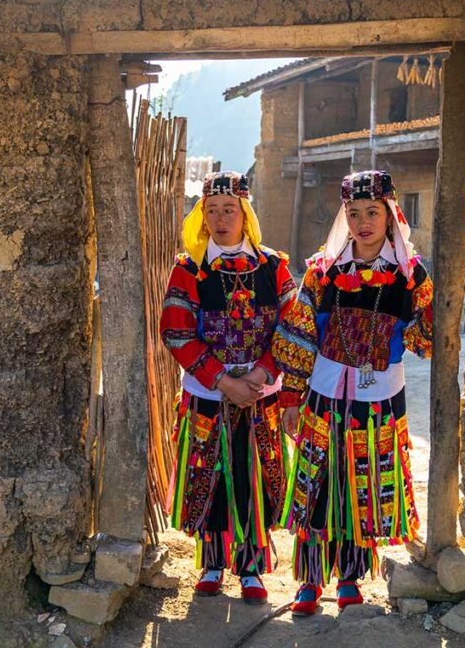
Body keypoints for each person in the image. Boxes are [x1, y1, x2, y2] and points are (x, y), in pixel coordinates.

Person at [273, 169, 434, 615]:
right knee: (316, 483)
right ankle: (308, 581)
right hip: (323, 396)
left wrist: (435, 306)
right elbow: (301, 336)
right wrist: (290, 399)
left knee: (360, 488)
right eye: (355, 213)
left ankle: (349, 578)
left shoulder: (410, 276)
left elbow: (425, 342)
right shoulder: (324, 272)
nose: (363, 222)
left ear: (390, 214)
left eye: (373, 212)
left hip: (378, 401)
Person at [160, 171, 297, 604]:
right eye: (212, 210)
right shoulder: (189, 270)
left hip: (260, 395)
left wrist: (258, 376)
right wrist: (222, 380)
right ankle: (213, 561)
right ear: (202, 216)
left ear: (245, 214)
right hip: (208, 395)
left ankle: (253, 565)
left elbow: (292, 327)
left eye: (230, 210)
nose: (221, 218)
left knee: (252, 475)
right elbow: (177, 331)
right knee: (211, 474)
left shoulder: (274, 266)